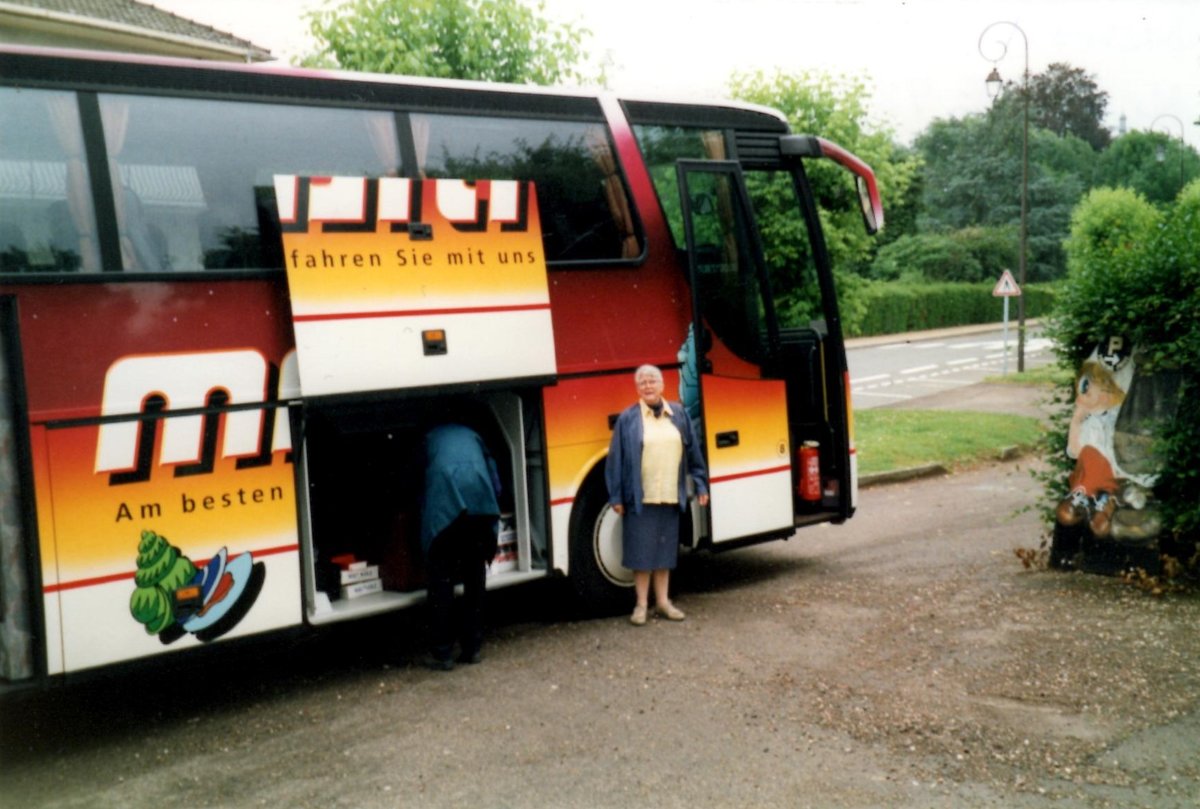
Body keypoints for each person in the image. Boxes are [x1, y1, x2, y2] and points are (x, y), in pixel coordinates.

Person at [605, 364, 709, 626]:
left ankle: (663, 603)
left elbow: (694, 454)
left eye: (653, 381)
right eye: (643, 383)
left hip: (670, 496)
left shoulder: (679, 415)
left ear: (663, 385)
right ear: (637, 388)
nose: (648, 386)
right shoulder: (629, 419)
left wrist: (700, 485)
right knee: (641, 555)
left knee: (664, 553)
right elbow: (615, 460)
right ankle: (641, 605)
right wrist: (616, 497)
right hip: (642, 498)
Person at [420, 421, 502, 670]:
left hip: (446, 512)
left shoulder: (429, 437)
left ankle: (442, 653)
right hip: (479, 509)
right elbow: (495, 482)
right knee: (474, 579)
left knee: (441, 584)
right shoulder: (474, 434)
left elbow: (417, 482)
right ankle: (472, 648)